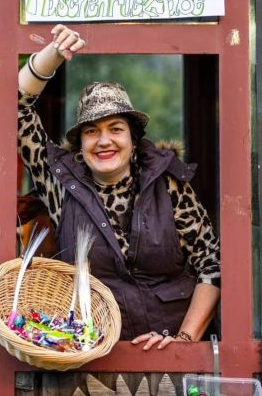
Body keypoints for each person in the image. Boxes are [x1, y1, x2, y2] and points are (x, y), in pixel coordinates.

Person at [17, 24, 220, 350]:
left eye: (115, 128)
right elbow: (14, 106)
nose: (104, 140)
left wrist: (183, 341)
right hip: (91, 359)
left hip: (173, 360)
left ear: (133, 140)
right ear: (80, 143)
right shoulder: (60, 186)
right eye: (92, 131)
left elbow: (211, 266)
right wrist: (52, 55)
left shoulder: (168, 185)